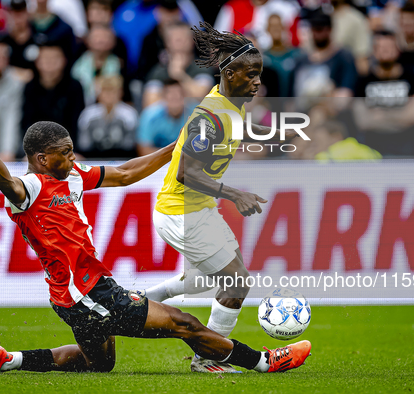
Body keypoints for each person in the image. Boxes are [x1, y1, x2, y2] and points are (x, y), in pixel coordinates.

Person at [0, 110, 311, 374]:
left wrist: (178, 145)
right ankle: (265, 363)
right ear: (43, 158)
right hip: (87, 293)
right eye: (66, 151)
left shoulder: (72, 175)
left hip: (76, 295)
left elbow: (125, 173)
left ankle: (7, 359)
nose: (73, 156)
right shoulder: (28, 188)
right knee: (184, 324)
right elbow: (4, 181)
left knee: (99, 366)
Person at [138, 22, 299, 373]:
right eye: (251, 74)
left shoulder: (231, 105)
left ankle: (142, 301)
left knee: (212, 279)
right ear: (229, 72)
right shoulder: (209, 117)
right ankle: (207, 359)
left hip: (198, 209)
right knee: (237, 282)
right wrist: (235, 194)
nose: (258, 81)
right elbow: (186, 173)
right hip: (181, 211)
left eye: (260, 74)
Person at [353, 30, 414, 157]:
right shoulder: (363, 81)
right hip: (372, 146)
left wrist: (380, 116)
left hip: (407, 145)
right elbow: (363, 121)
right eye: (381, 47)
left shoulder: (412, 78)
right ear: (374, 51)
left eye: (389, 47)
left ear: (398, 50)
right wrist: (402, 116)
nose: (385, 51)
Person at [21, 43, 85, 152]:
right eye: (45, 58)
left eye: (55, 58)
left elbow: (77, 123)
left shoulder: (75, 87)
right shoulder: (30, 87)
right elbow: (27, 122)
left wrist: (73, 150)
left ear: (64, 60)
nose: (50, 62)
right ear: (37, 62)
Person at [288, 9, 357, 97]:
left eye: (320, 29)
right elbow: (291, 97)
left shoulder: (344, 57)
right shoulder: (301, 60)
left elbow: (346, 93)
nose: (317, 33)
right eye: (314, 29)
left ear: (329, 30)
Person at [143, 22, 214, 106]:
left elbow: (202, 98)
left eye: (183, 38)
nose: (180, 43)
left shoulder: (203, 67)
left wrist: (179, 74)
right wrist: (185, 96)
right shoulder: (158, 72)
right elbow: (150, 104)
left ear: (193, 41)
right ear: (167, 43)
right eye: (176, 39)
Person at [77, 75, 138, 158]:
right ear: (98, 93)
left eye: (112, 91)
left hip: (122, 160)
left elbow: (130, 145)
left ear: (120, 92)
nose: (109, 95)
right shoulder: (88, 115)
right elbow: (84, 145)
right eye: (105, 90)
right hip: (93, 160)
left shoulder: (129, 115)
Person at [137, 78, 195, 156]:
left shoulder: (198, 115)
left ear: (185, 96)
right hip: (158, 164)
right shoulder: (149, 116)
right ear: (163, 97)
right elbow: (144, 150)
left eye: (178, 98)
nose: (175, 103)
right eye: (171, 98)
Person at [71, 23, 121, 106]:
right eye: (96, 37)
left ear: (113, 42)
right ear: (88, 41)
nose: (100, 40)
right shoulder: (78, 64)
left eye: (105, 37)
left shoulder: (119, 65)